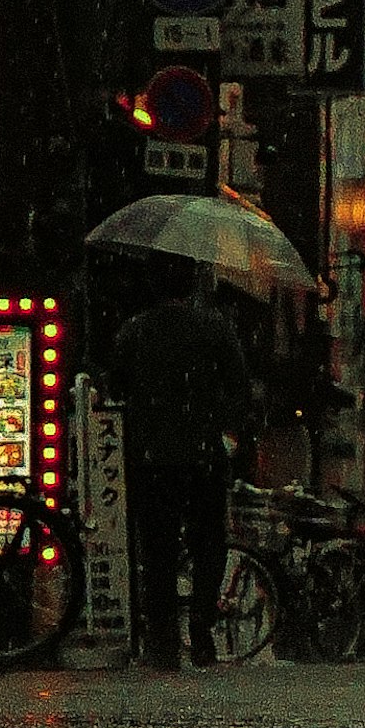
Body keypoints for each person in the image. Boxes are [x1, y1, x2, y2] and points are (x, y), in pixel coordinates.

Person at [103, 275, 259, 667]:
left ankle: (163, 638)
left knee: (158, 550)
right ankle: (201, 626)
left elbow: (116, 386)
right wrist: (224, 426)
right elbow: (239, 383)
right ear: (191, 286)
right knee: (209, 543)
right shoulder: (214, 328)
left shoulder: (136, 330)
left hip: (152, 457)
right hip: (203, 454)